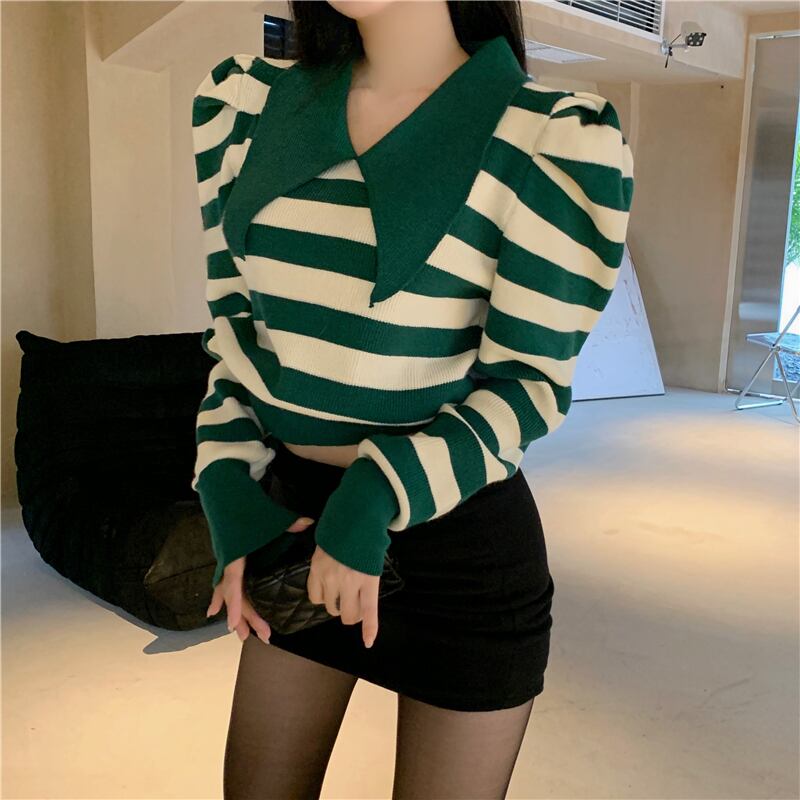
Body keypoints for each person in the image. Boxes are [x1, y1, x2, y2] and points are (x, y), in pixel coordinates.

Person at [190, 1, 635, 796]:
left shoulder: (547, 136)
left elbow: (526, 388)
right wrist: (226, 483)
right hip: (298, 527)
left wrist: (371, 497)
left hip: (457, 548)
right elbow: (235, 338)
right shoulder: (246, 107)